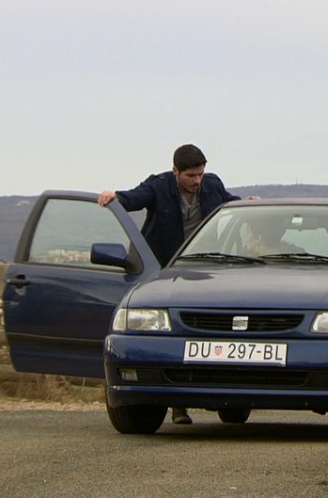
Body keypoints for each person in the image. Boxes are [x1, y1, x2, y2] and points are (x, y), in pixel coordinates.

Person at [98, 143, 244, 425]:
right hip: (164, 270)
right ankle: (178, 404)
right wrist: (114, 197)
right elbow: (134, 198)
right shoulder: (159, 185)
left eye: (200, 174)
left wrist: (247, 203)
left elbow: (229, 203)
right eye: (191, 175)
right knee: (174, 335)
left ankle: (230, 396)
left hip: (204, 270)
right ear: (175, 171)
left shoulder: (211, 185)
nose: (197, 181)